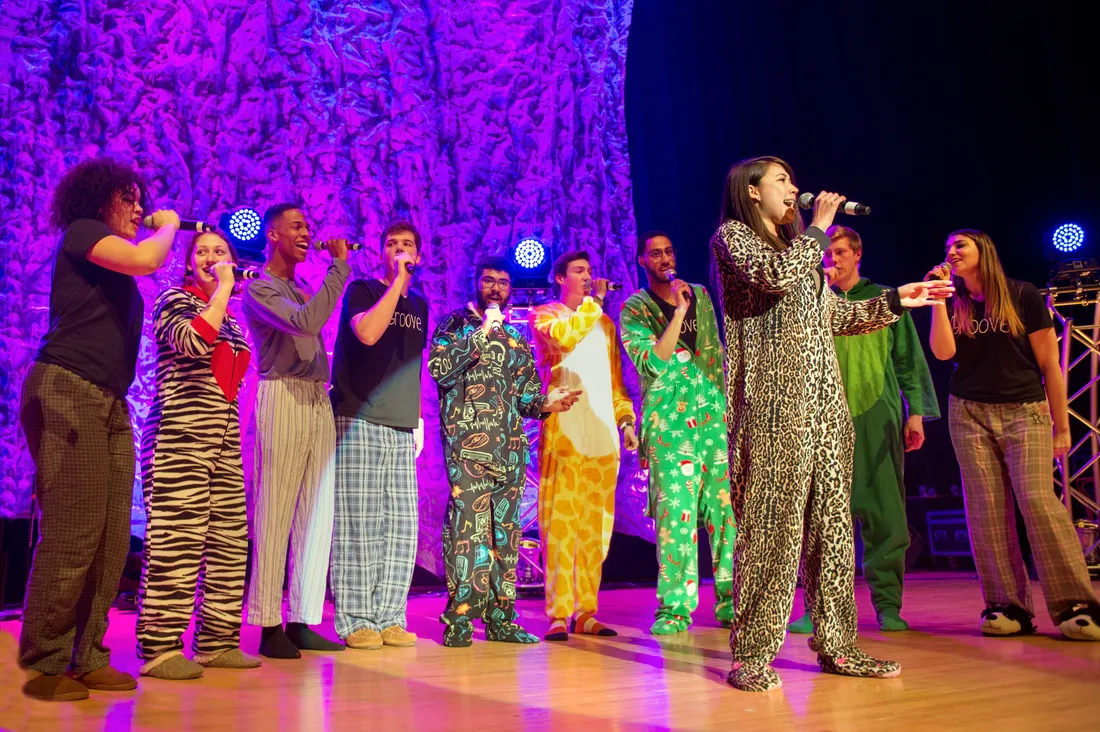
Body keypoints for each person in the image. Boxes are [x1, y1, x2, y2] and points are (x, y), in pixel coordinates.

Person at [710, 155, 953, 692]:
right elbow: (775, 277)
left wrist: (896, 300)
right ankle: (752, 655)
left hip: (825, 414)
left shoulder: (802, 255)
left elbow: (832, 316)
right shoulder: (735, 239)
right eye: (783, 181)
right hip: (775, 410)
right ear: (752, 192)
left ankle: (839, 645)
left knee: (835, 535)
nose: (795, 189)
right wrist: (819, 228)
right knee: (772, 532)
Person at [18, 158, 179, 701]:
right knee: (74, 530)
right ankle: (47, 662)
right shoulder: (84, 231)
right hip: (68, 387)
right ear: (99, 200)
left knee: (112, 536)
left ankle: (87, 655)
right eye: (128, 198)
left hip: (107, 401)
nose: (139, 208)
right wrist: (171, 225)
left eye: (142, 199)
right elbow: (144, 260)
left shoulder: (112, 262)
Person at [926, 230, 1100, 641]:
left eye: (960, 246)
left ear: (984, 251)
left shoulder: (1021, 294)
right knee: (986, 509)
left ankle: (1076, 605)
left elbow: (1050, 365)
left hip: (1025, 410)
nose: (951, 252)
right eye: (949, 247)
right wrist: (937, 301)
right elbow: (944, 354)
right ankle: (1008, 606)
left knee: (1038, 501)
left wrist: (1062, 425)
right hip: (969, 412)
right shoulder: (955, 301)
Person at [787, 225, 940, 635]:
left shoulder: (884, 298)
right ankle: (817, 608)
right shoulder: (810, 300)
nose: (831, 260)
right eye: (826, 253)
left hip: (877, 415)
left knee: (885, 513)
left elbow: (909, 359)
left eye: (838, 252)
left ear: (857, 255)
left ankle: (888, 605)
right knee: (820, 516)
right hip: (822, 419)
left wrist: (915, 413)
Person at [429, 256, 581, 647]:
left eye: (501, 282)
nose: (495, 288)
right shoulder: (454, 325)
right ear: (475, 283)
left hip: (510, 450)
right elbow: (440, 369)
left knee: (506, 537)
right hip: (467, 449)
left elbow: (527, 396)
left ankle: (502, 620)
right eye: (488, 280)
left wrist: (548, 401)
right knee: (468, 534)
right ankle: (460, 622)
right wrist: (482, 333)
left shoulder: (515, 339)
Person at [137, 232, 260, 679]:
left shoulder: (231, 322)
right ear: (189, 263)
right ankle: (160, 648)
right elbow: (192, 343)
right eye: (202, 251)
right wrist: (224, 288)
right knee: (177, 540)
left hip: (223, 446)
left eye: (220, 252)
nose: (211, 257)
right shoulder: (174, 301)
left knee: (229, 543)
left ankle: (217, 641)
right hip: (178, 439)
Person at [241, 203, 349, 658]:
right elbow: (307, 322)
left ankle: (303, 617)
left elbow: (313, 321)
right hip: (282, 394)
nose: (307, 233)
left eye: (309, 226)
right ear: (273, 235)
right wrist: (339, 269)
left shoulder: (301, 285)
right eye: (298, 226)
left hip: (315, 396)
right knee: (275, 510)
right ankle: (267, 624)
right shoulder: (259, 289)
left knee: (316, 511)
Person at [620, 230, 736, 635]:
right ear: (642, 261)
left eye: (669, 251)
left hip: (712, 418)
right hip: (669, 425)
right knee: (676, 519)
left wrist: (728, 408)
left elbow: (717, 354)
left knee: (725, 514)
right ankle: (675, 607)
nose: (665, 258)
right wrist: (679, 314)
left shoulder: (700, 294)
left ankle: (731, 600)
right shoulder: (635, 308)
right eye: (655, 254)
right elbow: (652, 363)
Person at [329, 221, 428, 650]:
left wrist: (418, 416)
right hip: (359, 417)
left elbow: (409, 366)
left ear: (419, 257)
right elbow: (368, 333)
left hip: (401, 423)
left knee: (401, 526)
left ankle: (390, 615)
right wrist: (395, 284)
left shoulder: (421, 306)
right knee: (359, 523)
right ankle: (355, 619)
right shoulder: (365, 291)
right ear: (381, 253)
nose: (399, 250)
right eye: (392, 244)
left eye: (407, 246)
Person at [529, 251, 639, 640]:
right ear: (560, 278)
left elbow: (615, 383)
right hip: (564, 433)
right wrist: (593, 303)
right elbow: (567, 337)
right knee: (560, 526)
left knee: (595, 528)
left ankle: (585, 610)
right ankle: (558, 612)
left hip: (602, 436)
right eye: (579, 271)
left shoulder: (605, 325)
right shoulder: (545, 316)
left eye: (590, 271)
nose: (588, 277)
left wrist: (626, 420)